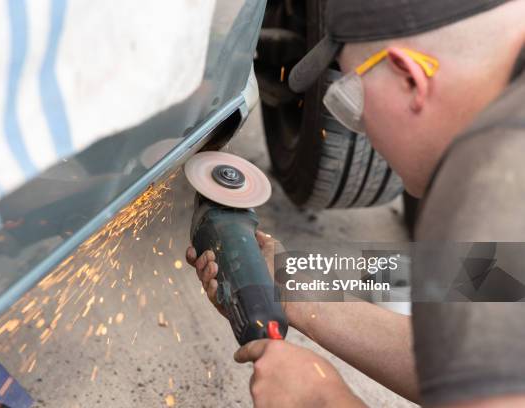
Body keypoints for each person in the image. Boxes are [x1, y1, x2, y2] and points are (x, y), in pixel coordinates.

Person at [186, 0, 525, 406]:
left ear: (411, 79)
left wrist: (324, 400)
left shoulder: (494, 192)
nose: (365, 133)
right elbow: (471, 349)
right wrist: (299, 293)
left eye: (352, 99)